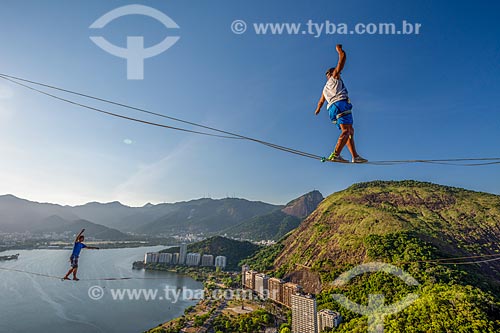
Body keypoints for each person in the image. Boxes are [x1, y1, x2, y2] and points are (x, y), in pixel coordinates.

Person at [314, 44, 367, 163]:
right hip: (340, 104)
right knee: (347, 131)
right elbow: (342, 59)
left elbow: (321, 101)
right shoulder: (335, 77)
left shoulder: (325, 88)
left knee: (349, 130)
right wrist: (339, 51)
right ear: (333, 74)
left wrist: (317, 109)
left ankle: (355, 156)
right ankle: (336, 154)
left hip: (332, 109)